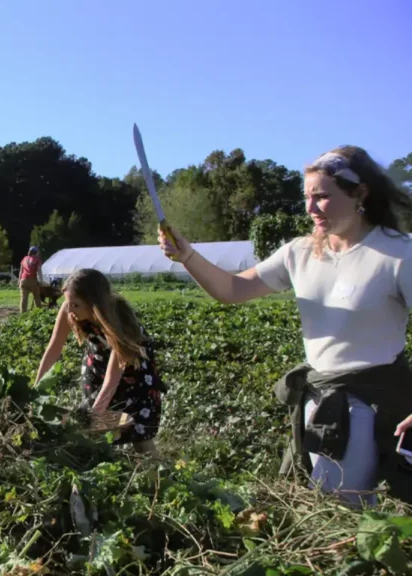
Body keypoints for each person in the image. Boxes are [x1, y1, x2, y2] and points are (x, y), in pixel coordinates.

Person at [158, 145, 412, 507]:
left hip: (374, 405)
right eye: (307, 197)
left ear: (361, 193)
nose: (310, 208)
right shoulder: (300, 252)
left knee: (347, 511)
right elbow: (233, 289)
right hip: (320, 402)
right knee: (334, 512)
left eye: (322, 197)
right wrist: (187, 256)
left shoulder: (398, 253)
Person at [33, 268, 166, 455]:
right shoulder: (69, 309)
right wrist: (35, 388)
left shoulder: (120, 322)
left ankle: (158, 477)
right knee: (95, 427)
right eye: (67, 302)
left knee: (139, 434)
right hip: (97, 364)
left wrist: (93, 416)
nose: (69, 309)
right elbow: (54, 349)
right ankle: (102, 463)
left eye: (76, 305)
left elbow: (112, 379)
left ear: (94, 304)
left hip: (134, 372)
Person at [19, 246, 44, 313]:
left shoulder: (24, 259)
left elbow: (21, 271)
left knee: (24, 298)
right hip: (32, 280)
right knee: (37, 297)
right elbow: (39, 271)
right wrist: (41, 281)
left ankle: (23, 313)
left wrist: (19, 281)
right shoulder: (37, 259)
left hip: (23, 280)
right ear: (36, 252)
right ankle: (39, 313)